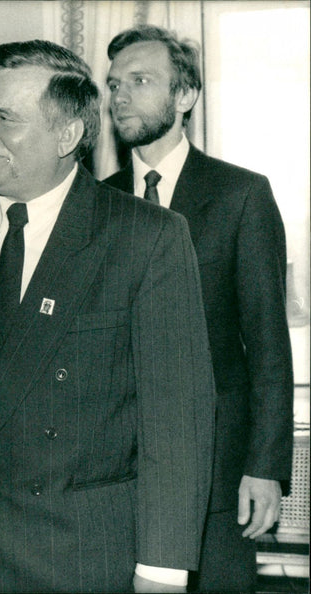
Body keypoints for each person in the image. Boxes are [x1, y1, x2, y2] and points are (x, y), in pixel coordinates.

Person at [0, 39, 216, 593]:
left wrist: (162, 566)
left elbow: (176, 417)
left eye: (5, 118)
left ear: (67, 136)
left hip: (82, 546)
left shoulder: (147, 236)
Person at [103, 25, 294, 592]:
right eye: (114, 84)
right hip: (116, 472)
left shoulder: (241, 195)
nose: (120, 96)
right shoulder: (97, 203)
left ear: (184, 96)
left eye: (140, 81)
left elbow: (266, 345)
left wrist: (264, 467)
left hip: (216, 470)